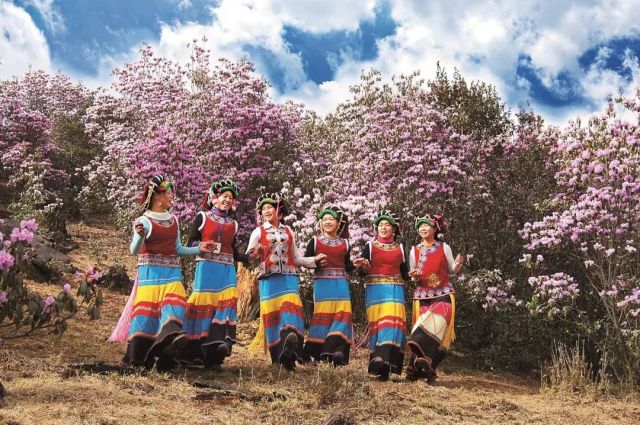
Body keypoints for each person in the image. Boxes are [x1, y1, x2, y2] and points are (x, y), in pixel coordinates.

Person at [116, 175, 214, 370]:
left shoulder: (173, 220)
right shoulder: (143, 221)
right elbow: (134, 250)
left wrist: (199, 248)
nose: (171, 197)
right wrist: (140, 237)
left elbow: (177, 249)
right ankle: (140, 358)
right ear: (157, 197)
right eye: (168, 193)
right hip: (150, 277)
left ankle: (168, 347)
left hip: (172, 275)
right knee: (146, 319)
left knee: (175, 308)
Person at [246, 192, 326, 370]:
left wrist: (314, 261)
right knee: (274, 320)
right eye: (263, 208)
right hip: (269, 281)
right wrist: (255, 253)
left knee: (291, 308)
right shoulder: (257, 232)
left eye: (270, 207)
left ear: (278, 209)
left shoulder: (289, 231)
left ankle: (291, 348)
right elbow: (249, 257)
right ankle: (280, 359)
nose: (266, 211)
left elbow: (296, 258)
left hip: (289, 278)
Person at [182, 179, 252, 370]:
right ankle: (194, 353)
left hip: (227, 270)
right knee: (203, 306)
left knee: (227, 302)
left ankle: (217, 349)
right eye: (224, 196)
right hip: (207, 268)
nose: (228, 200)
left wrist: (248, 257)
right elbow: (190, 243)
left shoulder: (234, 224)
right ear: (214, 198)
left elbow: (234, 252)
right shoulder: (202, 217)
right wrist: (202, 246)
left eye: (231, 197)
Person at [406, 213, 464, 383]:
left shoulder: (444, 247)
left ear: (434, 229)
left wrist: (459, 263)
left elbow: (452, 269)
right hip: (422, 296)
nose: (423, 229)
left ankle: (423, 365)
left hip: (443, 294)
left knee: (435, 329)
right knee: (423, 328)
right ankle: (424, 371)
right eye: (420, 226)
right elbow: (413, 274)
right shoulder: (414, 250)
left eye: (427, 226)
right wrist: (415, 275)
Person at [353, 210, 409, 380]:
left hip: (395, 289)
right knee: (377, 327)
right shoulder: (369, 246)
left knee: (392, 324)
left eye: (387, 225)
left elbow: (405, 273)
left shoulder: (400, 248)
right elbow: (362, 273)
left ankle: (383, 359)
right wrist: (362, 267)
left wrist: (416, 274)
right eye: (381, 225)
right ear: (376, 228)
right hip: (375, 290)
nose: (384, 227)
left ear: (394, 229)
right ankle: (382, 370)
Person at [302, 206, 354, 366]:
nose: (327, 222)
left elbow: (347, 266)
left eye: (331, 219)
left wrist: (357, 264)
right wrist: (316, 261)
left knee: (344, 316)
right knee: (323, 318)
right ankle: (317, 353)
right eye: (324, 219)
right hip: (322, 284)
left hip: (341, 284)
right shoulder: (315, 241)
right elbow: (306, 262)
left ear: (338, 223)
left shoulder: (345, 243)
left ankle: (336, 351)